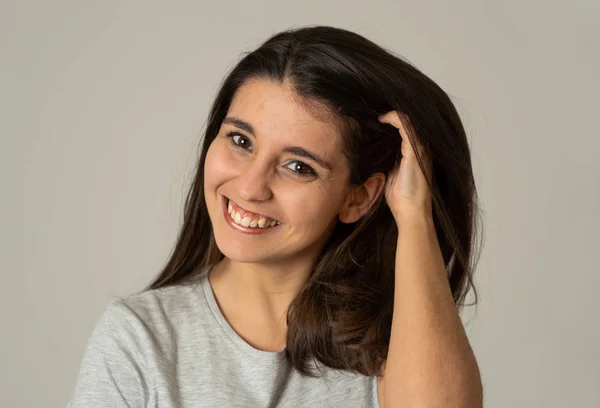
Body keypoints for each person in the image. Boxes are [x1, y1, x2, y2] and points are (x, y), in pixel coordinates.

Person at [67, 25, 483, 407]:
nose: (250, 187)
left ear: (358, 198)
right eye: (240, 140)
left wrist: (412, 214)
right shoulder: (140, 340)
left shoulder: (391, 350)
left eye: (299, 166)